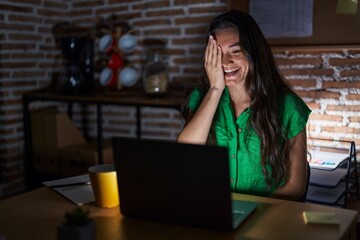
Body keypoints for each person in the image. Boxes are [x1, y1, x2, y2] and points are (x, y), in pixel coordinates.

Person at [177, 10, 311, 201]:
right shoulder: (202, 98)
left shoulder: (288, 106)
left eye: (236, 51)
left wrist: (253, 212)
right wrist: (215, 88)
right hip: (213, 208)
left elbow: (295, 186)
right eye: (218, 54)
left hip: (266, 216)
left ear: (253, 52)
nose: (226, 62)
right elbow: (185, 155)